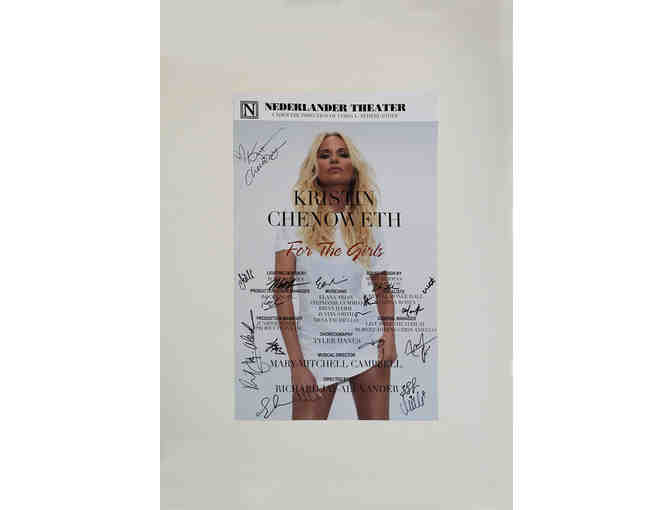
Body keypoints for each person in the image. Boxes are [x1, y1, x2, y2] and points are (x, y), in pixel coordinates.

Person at [273, 132, 396, 420]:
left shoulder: (367, 223)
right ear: (314, 167)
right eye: (325, 154)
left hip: (366, 345)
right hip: (315, 350)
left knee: (379, 438)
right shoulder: (294, 222)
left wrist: (390, 335)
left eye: (342, 153)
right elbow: (281, 294)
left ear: (354, 166)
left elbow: (383, 289)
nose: (334, 160)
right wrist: (297, 365)